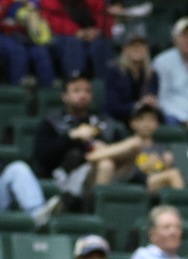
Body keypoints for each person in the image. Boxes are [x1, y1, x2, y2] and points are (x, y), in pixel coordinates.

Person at [30, 73, 125, 201]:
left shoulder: (106, 123)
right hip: (65, 177)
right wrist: (70, 136)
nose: (83, 95)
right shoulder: (51, 123)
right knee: (105, 164)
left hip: (107, 174)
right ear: (65, 96)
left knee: (127, 150)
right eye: (76, 91)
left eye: (87, 91)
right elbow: (42, 159)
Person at [40, 0, 112, 79]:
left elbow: (104, 17)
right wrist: (77, 32)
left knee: (101, 44)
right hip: (59, 40)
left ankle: (103, 87)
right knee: (73, 43)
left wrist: (96, 31)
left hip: (87, 38)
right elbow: (53, 22)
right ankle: (76, 84)